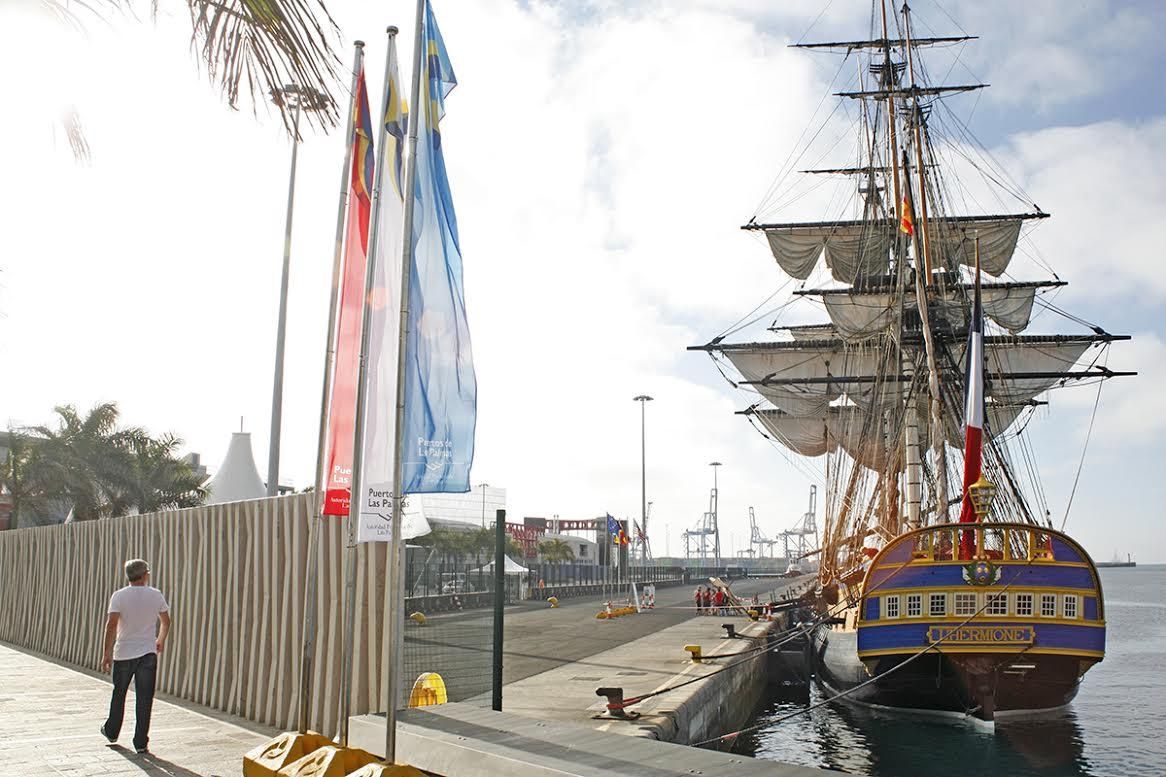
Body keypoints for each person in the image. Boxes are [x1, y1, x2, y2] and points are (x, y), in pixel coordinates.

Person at [100, 559, 170, 755]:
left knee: (119, 693)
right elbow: (166, 621)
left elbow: (111, 625)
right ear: (145, 574)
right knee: (145, 698)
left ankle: (112, 732)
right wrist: (160, 640)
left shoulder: (119, 596)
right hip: (147, 653)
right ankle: (140, 743)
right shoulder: (155, 595)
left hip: (123, 653)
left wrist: (106, 653)